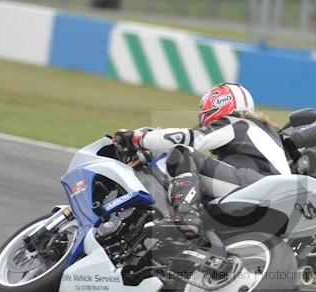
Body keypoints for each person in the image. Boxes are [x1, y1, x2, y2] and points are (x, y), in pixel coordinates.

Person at [112, 83, 290, 235]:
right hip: (278, 201)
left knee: (182, 153)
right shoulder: (262, 131)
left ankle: (186, 215)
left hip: (258, 186)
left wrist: (139, 138)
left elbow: (192, 139)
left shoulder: (236, 122)